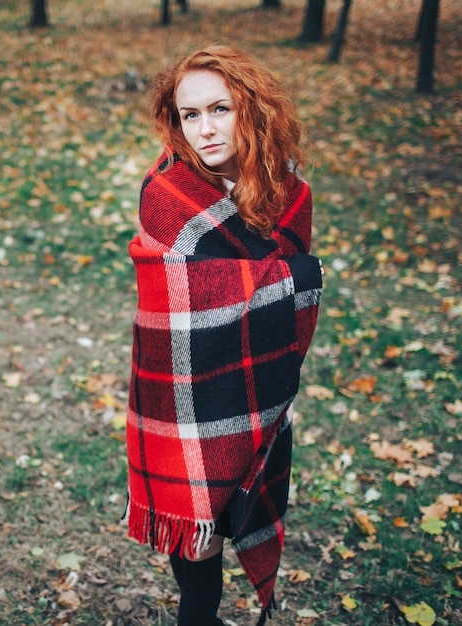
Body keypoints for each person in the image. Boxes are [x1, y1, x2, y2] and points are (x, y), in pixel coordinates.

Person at [124, 45, 323, 626]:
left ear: (252, 110)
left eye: (221, 109)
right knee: (197, 530)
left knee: (234, 503)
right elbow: (169, 289)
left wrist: (280, 281)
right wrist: (287, 280)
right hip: (179, 387)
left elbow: (284, 279)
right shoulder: (168, 196)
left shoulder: (289, 190)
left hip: (254, 382)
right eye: (190, 115)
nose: (205, 129)